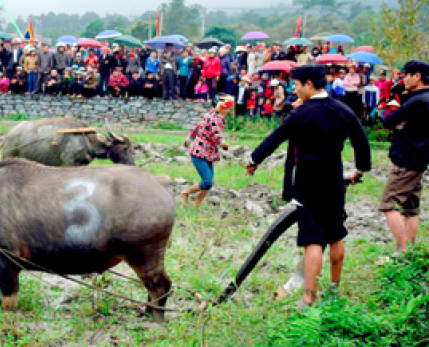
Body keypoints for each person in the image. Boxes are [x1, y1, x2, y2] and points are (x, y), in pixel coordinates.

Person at [245, 65, 371, 307]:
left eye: (297, 84)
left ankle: (309, 296)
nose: (295, 89)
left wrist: (254, 159)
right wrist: (360, 169)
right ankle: (333, 291)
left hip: (308, 182)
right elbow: (361, 142)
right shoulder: (343, 110)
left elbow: (275, 138)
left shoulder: (302, 114)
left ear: (310, 85)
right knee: (335, 234)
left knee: (312, 239)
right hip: (334, 181)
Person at [379, 60, 429, 253]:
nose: (403, 79)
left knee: (388, 204)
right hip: (420, 160)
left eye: (406, 75)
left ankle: (402, 250)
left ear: (417, 76)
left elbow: (389, 120)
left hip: (405, 159)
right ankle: (412, 250)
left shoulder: (416, 101)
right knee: (411, 207)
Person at [181, 96, 234, 207]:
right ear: (222, 108)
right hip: (200, 152)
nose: (228, 111)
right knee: (207, 181)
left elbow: (196, 129)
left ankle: (196, 206)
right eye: (227, 109)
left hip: (208, 153)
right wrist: (223, 144)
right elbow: (216, 135)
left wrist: (188, 140)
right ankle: (186, 193)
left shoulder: (209, 115)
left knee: (208, 183)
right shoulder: (214, 118)